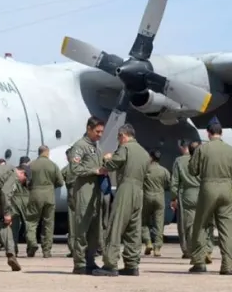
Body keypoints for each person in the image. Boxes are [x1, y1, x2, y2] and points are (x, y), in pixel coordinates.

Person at [94, 124, 149, 276]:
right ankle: (132, 265)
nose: (118, 140)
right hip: (139, 191)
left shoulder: (125, 148)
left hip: (126, 188)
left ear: (123, 136)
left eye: (118, 137)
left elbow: (113, 164)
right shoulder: (144, 152)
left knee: (115, 225)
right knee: (133, 229)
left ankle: (110, 264)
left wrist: (107, 159)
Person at [187, 122, 232, 275]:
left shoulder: (202, 149)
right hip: (226, 189)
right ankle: (227, 265)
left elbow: (193, 170)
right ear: (221, 133)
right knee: (227, 228)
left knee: (201, 225)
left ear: (208, 133)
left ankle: (199, 262)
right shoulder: (231, 150)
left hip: (208, 188)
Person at [67, 116, 107, 274]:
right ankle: (80, 263)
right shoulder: (79, 147)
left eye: (102, 132)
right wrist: (94, 171)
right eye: (97, 131)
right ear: (89, 129)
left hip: (96, 192)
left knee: (94, 229)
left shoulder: (96, 147)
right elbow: (75, 169)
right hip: (84, 190)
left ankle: (90, 260)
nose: (100, 135)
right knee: (82, 228)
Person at [25, 145, 64, 258]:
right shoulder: (53, 165)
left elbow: (25, 181)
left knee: (31, 221)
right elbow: (60, 182)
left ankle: (32, 244)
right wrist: (51, 186)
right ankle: (46, 251)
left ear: (39, 152)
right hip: (49, 196)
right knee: (48, 223)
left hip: (34, 195)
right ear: (47, 152)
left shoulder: (31, 165)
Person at [141, 148, 171, 257]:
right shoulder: (164, 171)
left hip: (147, 197)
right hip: (159, 197)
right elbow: (169, 184)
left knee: (144, 222)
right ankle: (157, 247)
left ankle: (148, 242)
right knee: (159, 223)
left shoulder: (145, 169)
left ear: (151, 157)